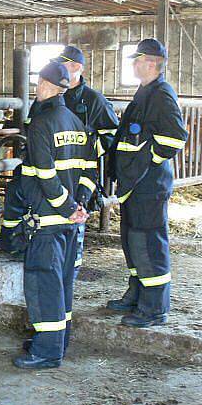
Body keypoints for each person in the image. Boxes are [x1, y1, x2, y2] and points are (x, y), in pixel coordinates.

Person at [1, 61, 96, 370]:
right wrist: (80, 205)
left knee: (44, 285)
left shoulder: (42, 124)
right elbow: (90, 171)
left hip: (49, 220)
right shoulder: (76, 123)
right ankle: (59, 340)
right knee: (64, 283)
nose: (36, 89)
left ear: (50, 87)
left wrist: (67, 208)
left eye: (39, 84)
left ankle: (46, 351)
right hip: (72, 224)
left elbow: (45, 174)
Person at [106, 39, 188, 327]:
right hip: (134, 184)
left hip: (148, 184)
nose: (133, 64)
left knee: (149, 243)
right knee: (133, 240)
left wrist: (145, 160)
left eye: (137, 60)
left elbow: (175, 138)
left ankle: (154, 308)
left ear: (151, 62)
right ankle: (137, 294)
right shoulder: (146, 92)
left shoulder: (161, 95)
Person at [51, 46, 119, 280]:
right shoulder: (54, 94)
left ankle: (71, 271)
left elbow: (111, 135)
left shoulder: (94, 100)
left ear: (77, 67)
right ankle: (55, 268)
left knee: (75, 217)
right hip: (53, 170)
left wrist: (87, 151)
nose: (59, 70)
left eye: (64, 65)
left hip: (80, 172)